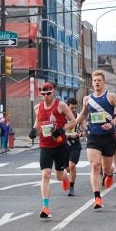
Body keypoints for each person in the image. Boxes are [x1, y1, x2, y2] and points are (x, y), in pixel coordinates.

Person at [76, 70, 116, 209]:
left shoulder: (111, 97)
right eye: (94, 80)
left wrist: (112, 123)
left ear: (103, 82)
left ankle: (109, 174)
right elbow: (83, 115)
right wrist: (74, 125)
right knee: (95, 166)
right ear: (92, 83)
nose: (97, 82)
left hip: (108, 136)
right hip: (93, 137)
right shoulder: (87, 99)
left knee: (106, 167)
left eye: (99, 80)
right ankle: (97, 197)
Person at [28, 82, 77, 217]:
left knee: (59, 176)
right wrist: (33, 129)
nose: (45, 96)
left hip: (60, 145)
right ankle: (45, 207)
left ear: (53, 92)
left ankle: (65, 178)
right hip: (45, 146)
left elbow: (73, 121)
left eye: (48, 94)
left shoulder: (61, 105)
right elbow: (39, 121)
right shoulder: (37, 107)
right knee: (45, 175)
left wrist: (62, 129)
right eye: (43, 94)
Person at [64, 97, 84, 196]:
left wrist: (79, 134)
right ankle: (65, 178)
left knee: (72, 166)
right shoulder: (61, 117)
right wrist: (67, 135)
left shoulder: (79, 117)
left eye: (75, 108)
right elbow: (55, 132)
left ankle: (71, 187)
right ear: (66, 107)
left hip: (75, 144)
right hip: (63, 146)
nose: (74, 110)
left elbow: (85, 131)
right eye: (71, 108)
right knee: (66, 169)